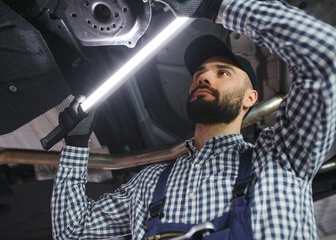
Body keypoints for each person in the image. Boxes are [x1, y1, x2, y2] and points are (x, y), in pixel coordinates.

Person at [51, 0, 336, 239]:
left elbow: (326, 56)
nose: (204, 75)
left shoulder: (281, 157)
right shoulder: (149, 183)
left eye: (223, 72)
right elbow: (72, 232)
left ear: (250, 98)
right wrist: (76, 146)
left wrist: (216, 6)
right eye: (200, 72)